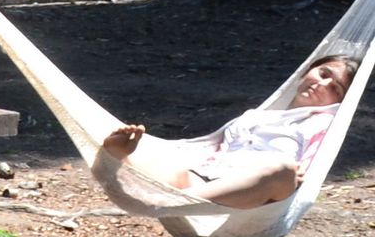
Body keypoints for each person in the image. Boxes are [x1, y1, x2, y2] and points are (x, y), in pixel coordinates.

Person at [97, 55, 359, 211]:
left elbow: (308, 169)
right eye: (322, 73)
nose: (321, 83)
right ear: (308, 70)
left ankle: (168, 204)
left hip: (261, 197)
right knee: (140, 151)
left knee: (283, 169)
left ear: (340, 102)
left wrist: (296, 175)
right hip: (208, 180)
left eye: (334, 87)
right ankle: (120, 156)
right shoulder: (258, 115)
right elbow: (208, 149)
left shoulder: (323, 122)